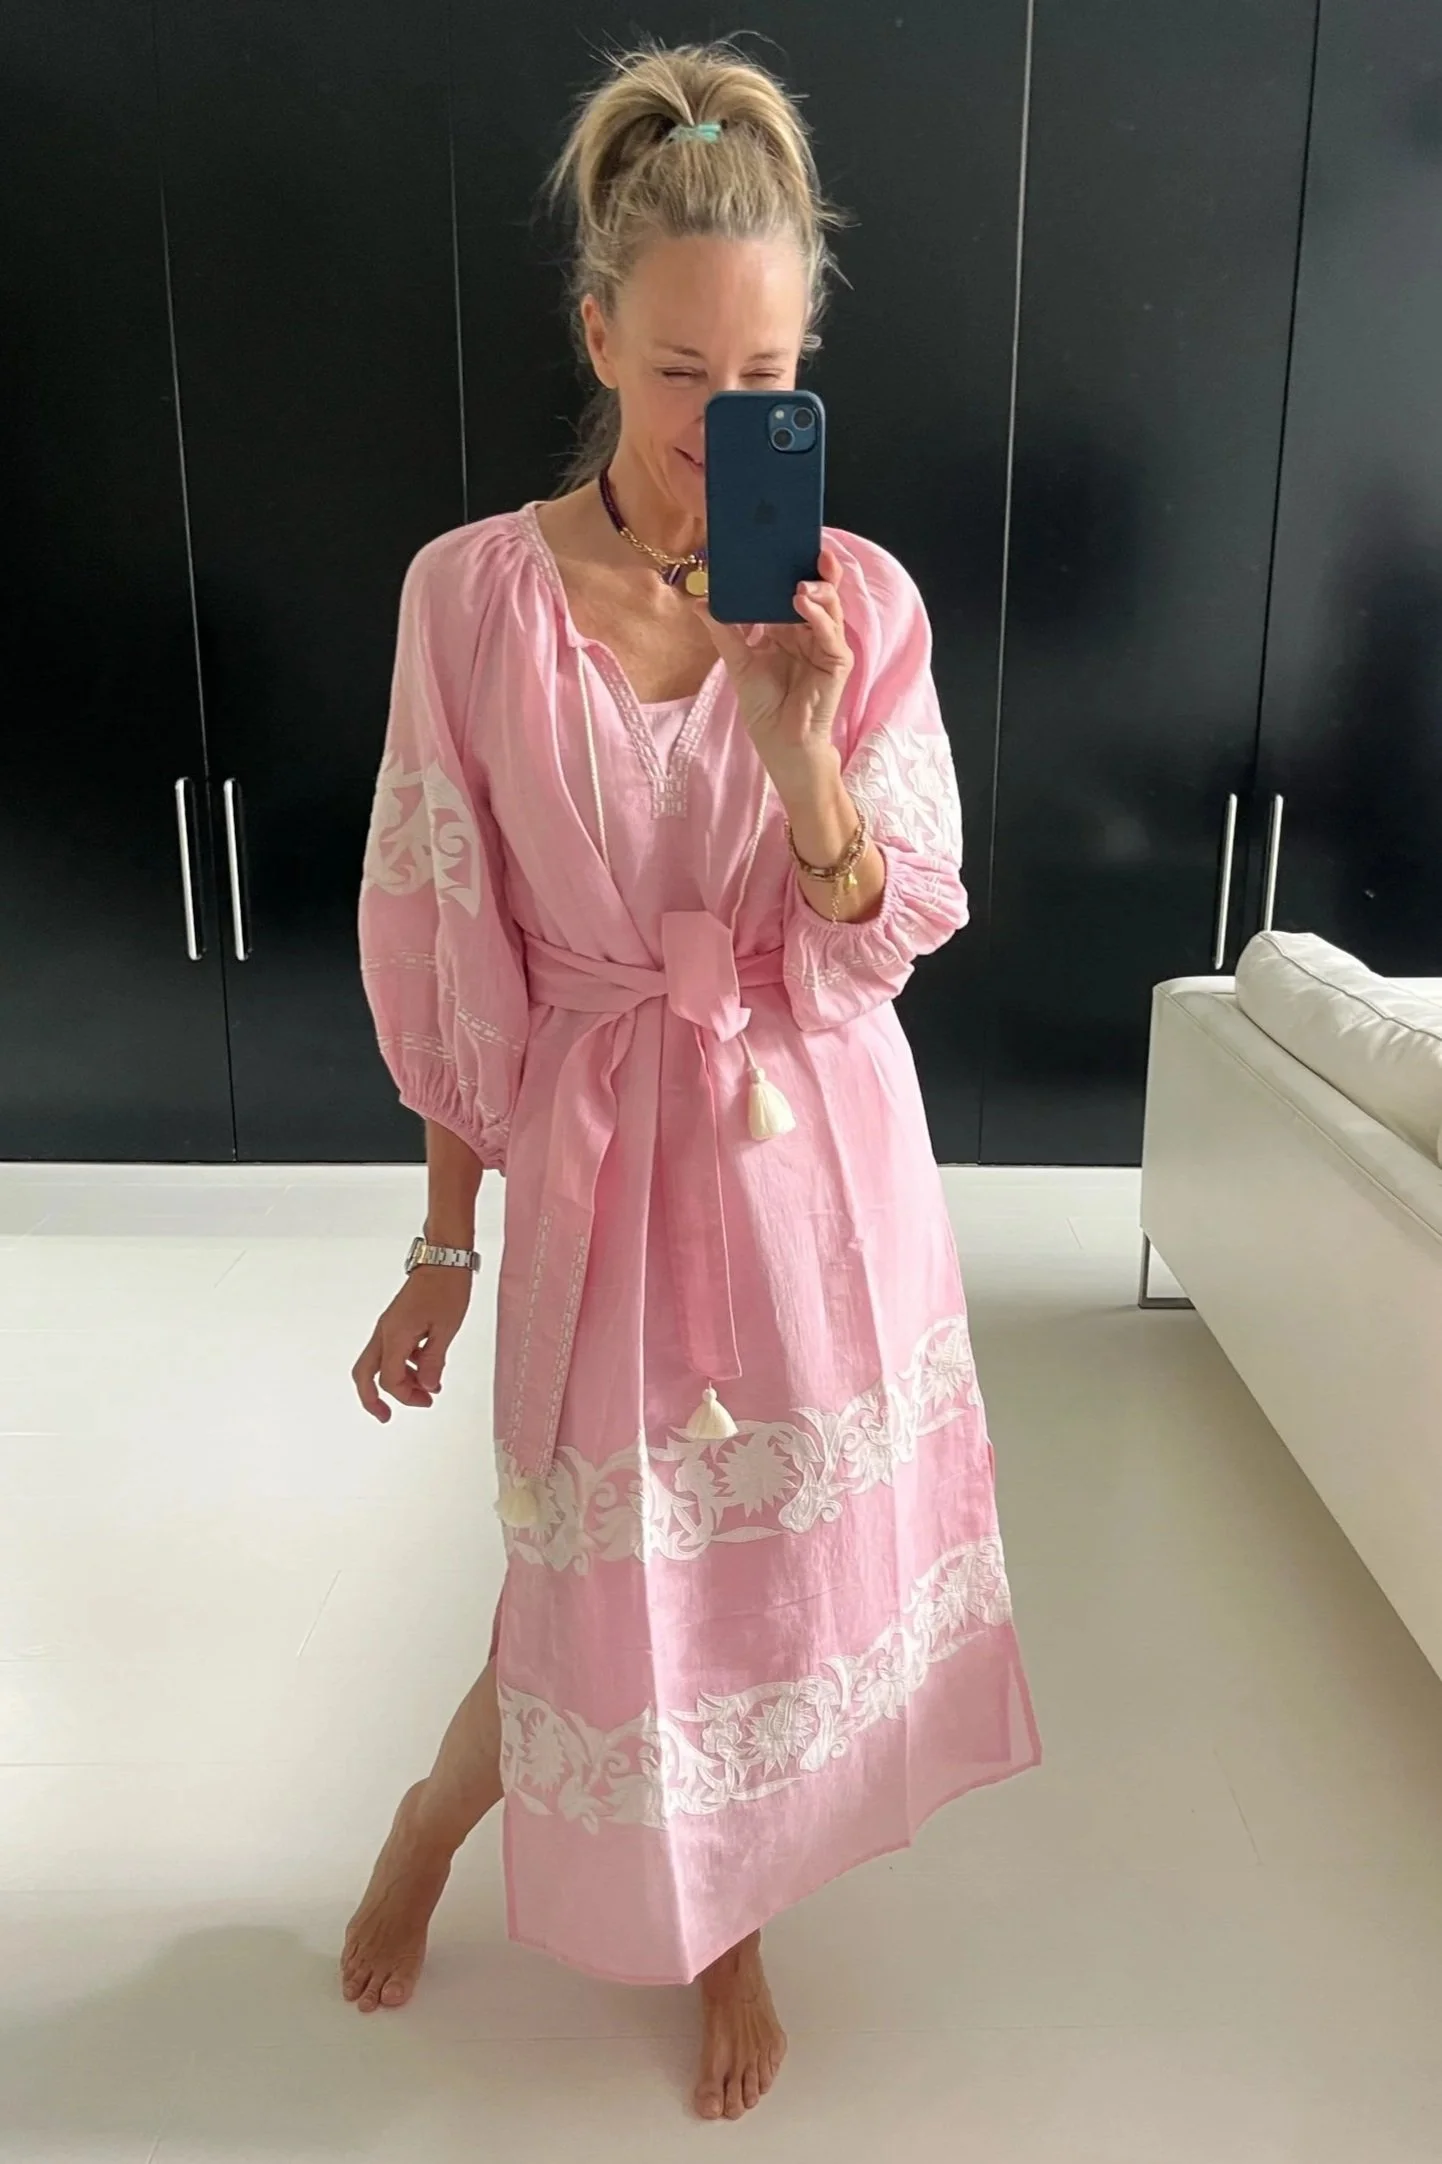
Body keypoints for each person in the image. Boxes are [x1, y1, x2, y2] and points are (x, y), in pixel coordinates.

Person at [341, 39, 1041, 2123]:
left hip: (814, 1164)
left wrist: (800, 742)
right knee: (590, 1580)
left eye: (766, 380)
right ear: (594, 336)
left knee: (766, 1577)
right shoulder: (469, 600)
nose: (718, 422)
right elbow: (453, 947)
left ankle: (727, 1921)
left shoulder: (860, 605)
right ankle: (432, 1822)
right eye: (674, 371)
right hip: (599, 1161)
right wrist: (439, 1247)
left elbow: (887, 932)